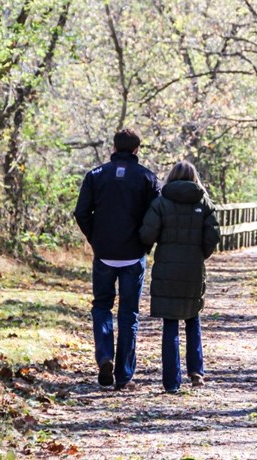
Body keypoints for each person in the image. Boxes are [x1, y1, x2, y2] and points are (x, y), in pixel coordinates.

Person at [73, 128, 160, 391]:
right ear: (136, 150)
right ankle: (123, 375)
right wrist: (145, 243)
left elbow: (81, 212)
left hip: (105, 255)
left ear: (114, 147)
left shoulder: (95, 175)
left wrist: (95, 239)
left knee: (101, 306)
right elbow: (155, 217)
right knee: (129, 313)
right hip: (133, 256)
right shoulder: (147, 177)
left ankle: (104, 356)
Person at [139, 161, 220, 393]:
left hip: (166, 268)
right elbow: (213, 235)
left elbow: (147, 234)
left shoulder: (161, 202)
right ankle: (196, 371)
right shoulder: (204, 202)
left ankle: (171, 382)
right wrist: (200, 254)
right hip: (193, 268)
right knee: (193, 317)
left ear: (171, 176)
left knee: (170, 323)